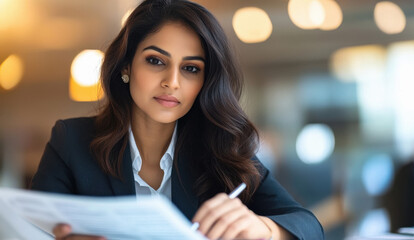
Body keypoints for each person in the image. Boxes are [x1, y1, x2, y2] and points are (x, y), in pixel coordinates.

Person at [30, 0, 324, 239]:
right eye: (156, 61)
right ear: (126, 67)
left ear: (204, 82)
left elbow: (308, 226)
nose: (172, 82)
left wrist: (266, 230)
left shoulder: (221, 149)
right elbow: (27, 229)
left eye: (191, 69)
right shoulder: (71, 142)